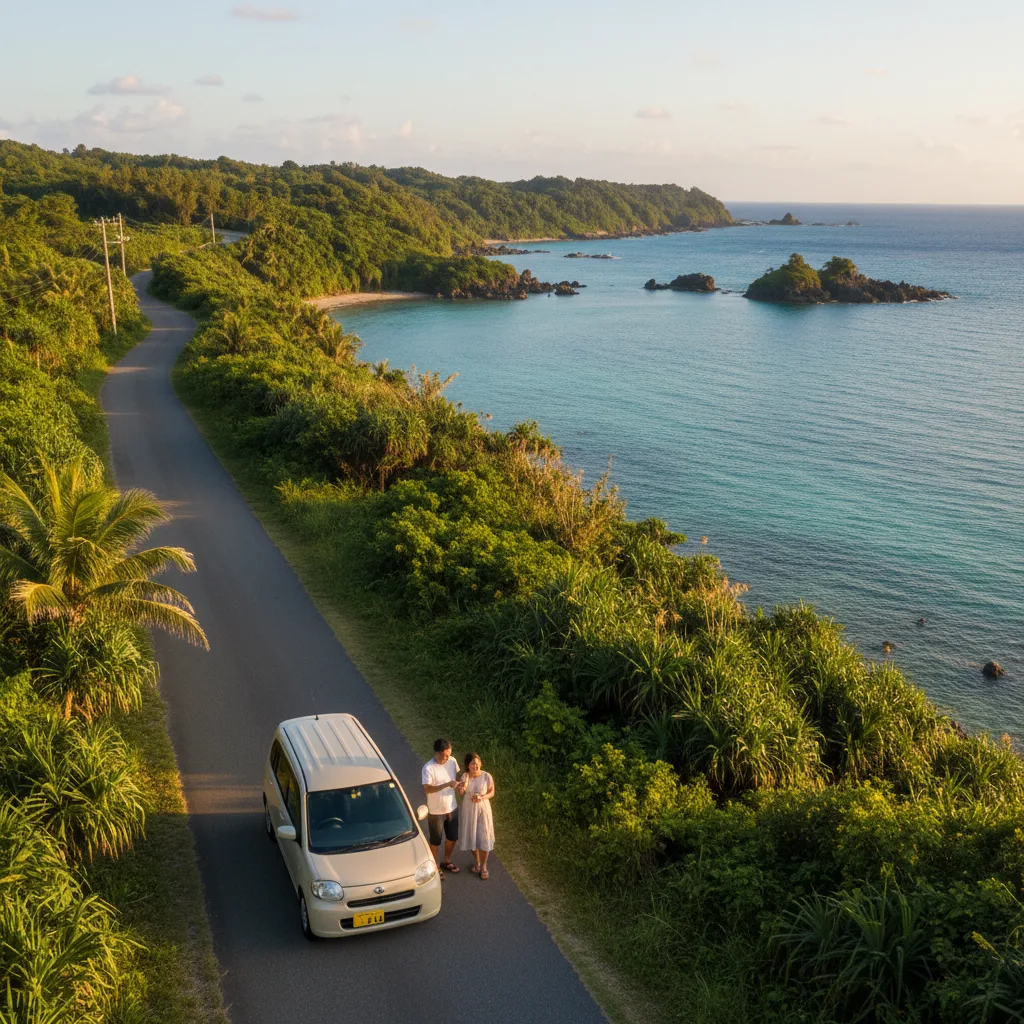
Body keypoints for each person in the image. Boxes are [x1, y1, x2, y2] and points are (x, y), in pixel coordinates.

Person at [421, 738, 463, 877]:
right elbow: (427, 789)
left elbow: (456, 777)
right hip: (436, 810)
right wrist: (447, 784)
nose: (447, 758)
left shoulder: (452, 761)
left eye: (449, 754)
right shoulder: (428, 768)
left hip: (452, 806)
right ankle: (436, 866)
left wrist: (460, 785)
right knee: (436, 840)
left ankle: (447, 861)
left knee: (453, 837)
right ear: (437, 753)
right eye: (445, 755)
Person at [458, 753, 495, 880]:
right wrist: (463, 785)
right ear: (468, 765)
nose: (475, 765)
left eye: (477, 763)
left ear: (481, 763)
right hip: (469, 809)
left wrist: (481, 797)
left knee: (484, 835)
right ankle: (477, 862)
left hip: (483, 808)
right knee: (472, 835)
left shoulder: (486, 776)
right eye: (473, 763)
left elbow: (492, 792)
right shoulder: (465, 776)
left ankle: (484, 866)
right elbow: (461, 792)